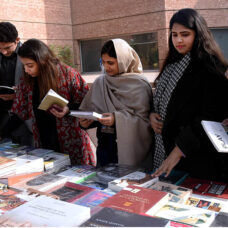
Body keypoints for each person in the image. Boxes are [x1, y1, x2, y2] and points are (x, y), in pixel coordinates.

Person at [0, 38, 95, 165]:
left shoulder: (68, 75)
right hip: (43, 145)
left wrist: (68, 109)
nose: (26, 70)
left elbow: (88, 103)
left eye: (30, 65)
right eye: (24, 65)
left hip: (72, 143)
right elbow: (18, 112)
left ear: (42, 61)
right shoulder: (27, 81)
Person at [150, 8, 228, 181]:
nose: (178, 40)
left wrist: (179, 149)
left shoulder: (210, 66)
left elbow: (210, 116)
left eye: (185, 34)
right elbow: (160, 99)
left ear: (198, 34)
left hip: (195, 156)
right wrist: (152, 115)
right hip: (165, 147)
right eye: (174, 34)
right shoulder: (172, 63)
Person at [79, 39, 153, 167]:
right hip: (105, 148)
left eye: (111, 63)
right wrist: (85, 123)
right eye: (104, 62)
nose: (106, 67)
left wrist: (116, 119)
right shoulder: (100, 82)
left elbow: (146, 122)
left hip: (132, 151)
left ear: (123, 61)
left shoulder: (140, 85)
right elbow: (91, 112)